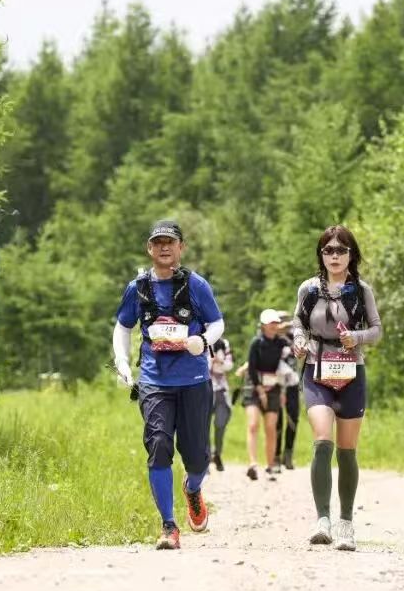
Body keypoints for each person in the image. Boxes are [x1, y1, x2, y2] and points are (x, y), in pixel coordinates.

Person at [113, 220, 225, 550]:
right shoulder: (138, 287)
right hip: (153, 380)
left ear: (181, 248)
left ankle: (193, 489)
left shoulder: (196, 285)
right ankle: (168, 526)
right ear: (149, 249)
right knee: (159, 444)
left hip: (193, 380)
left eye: (170, 242)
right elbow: (122, 327)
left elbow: (218, 322)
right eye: (158, 242)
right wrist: (122, 361)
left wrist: (202, 340)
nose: (164, 247)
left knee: (197, 457)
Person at [292, 225, 382, 552]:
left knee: (347, 450)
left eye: (340, 250)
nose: (334, 256)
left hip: (351, 371)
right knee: (322, 441)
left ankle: (346, 522)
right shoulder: (309, 289)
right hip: (317, 369)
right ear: (320, 254)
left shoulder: (362, 291)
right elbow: (297, 322)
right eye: (328, 250)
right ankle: (322, 520)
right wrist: (300, 341)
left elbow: (376, 330)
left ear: (351, 255)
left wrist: (355, 338)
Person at [243, 309, 294, 480]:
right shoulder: (256, 343)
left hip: (274, 387)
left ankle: (271, 466)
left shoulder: (281, 343)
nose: (274, 326)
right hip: (254, 386)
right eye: (271, 323)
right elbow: (251, 368)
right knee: (253, 425)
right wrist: (259, 390)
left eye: (276, 323)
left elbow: (287, 365)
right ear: (264, 325)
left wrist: (283, 390)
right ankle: (253, 464)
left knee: (271, 428)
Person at [272, 312, 300, 470]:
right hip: (275, 384)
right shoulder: (271, 339)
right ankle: (275, 455)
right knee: (277, 420)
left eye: (286, 322)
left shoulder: (294, 338)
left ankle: (288, 454)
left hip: (292, 384)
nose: (284, 325)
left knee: (293, 418)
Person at [208, 337, 234, 472]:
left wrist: (219, 361)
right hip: (203, 388)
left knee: (220, 423)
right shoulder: (199, 339)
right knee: (203, 426)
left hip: (220, 389)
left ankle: (217, 453)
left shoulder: (224, 343)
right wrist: (210, 361)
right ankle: (205, 459)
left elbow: (229, 365)